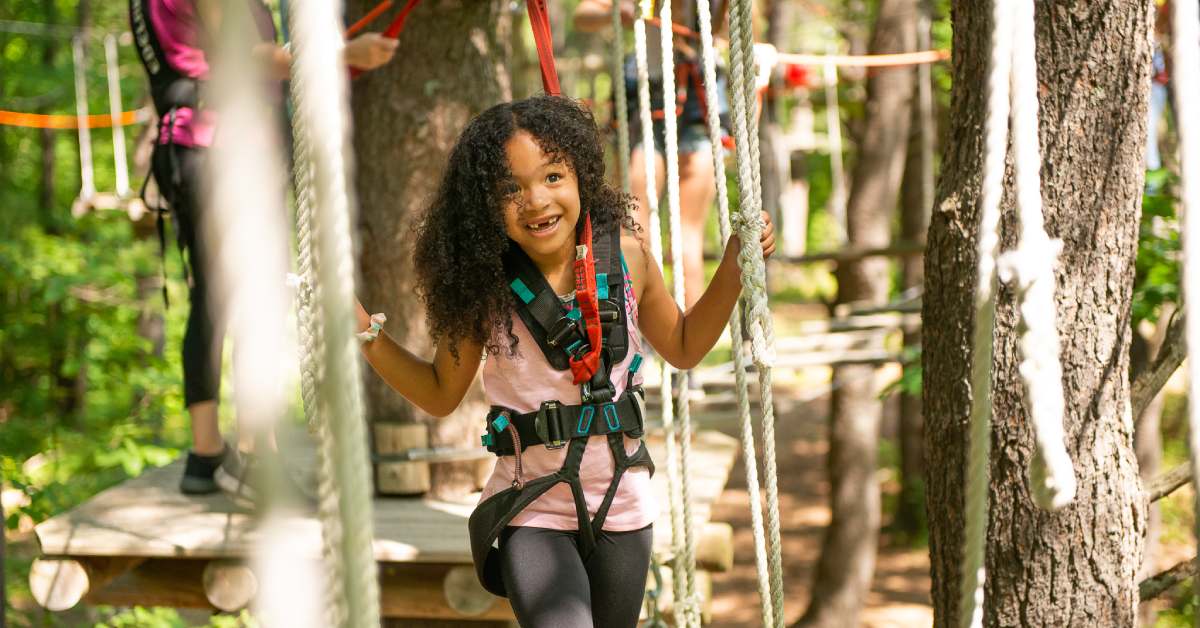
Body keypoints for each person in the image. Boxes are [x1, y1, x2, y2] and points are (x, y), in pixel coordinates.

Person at [354, 95, 773, 627]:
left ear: (581, 175)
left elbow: (685, 346)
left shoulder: (626, 256)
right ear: (484, 203)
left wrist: (735, 265)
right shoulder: (482, 287)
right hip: (532, 506)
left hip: (622, 501)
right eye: (510, 188)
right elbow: (440, 393)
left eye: (552, 176)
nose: (535, 201)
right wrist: (363, 332)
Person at [128, 0, 398, 496]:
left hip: (192, 145)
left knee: (212, 297)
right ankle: (254, 457)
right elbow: (246, 56)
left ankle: (206, 454)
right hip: (221, 147)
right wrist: (341, 53)